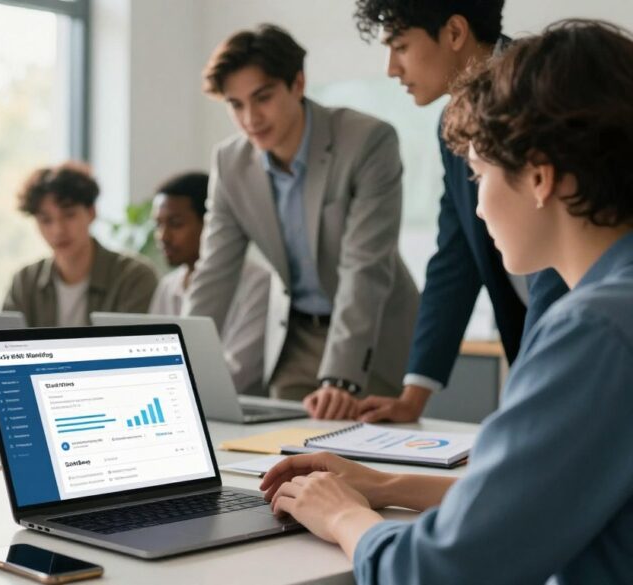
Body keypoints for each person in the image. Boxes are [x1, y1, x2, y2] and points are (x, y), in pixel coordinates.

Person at [261, 21, 633, 583]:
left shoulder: (594, 329)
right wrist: (383, 485)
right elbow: (529, 502)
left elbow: (435, 570)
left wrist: (341, 516)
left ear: (538, 176)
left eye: (480, 174)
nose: (477, 208)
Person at [333, 0, 569, 423]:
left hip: (581, 344)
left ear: (455, 33)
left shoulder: (543, 90)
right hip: (539, 354)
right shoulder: (454, 125)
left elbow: (560, 250)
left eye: (400, 46)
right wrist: (412, 397)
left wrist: (535, 386)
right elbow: (455, 256)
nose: (391, 68)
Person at [186, 24, 419, 412]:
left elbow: (365, 266)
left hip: (373, 331)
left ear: (297, 83)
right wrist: (176, 365)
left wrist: (340, 377)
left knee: (365, 457)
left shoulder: (367, 141)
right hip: (295, 336)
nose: (250, 118)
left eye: (262, 98)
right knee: (284, 462)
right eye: (236, 104)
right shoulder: (230, 163)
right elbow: (214, 275)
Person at [149, 171, 270, 394]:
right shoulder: (168, 286)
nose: (163, 236)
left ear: (210, 226)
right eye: (158, 225)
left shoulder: (257, 284)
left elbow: (238, 373)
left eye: (175, 224)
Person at [3, 162, 158, 327]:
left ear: (91, 213)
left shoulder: (133, 277)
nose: (58, 230)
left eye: (69, 215)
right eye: (46, 220)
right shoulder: (25, 281)